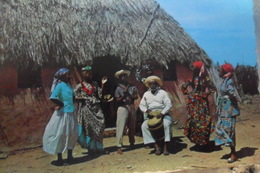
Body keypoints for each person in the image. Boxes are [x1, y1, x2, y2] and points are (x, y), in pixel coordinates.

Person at [43, 68, 78, 166]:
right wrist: (61, 104)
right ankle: (60, 159)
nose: (69, 76)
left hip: (71, 112)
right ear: (62, 76)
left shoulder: (69, 86)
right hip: (63, 114)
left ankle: (70, 157)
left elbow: (72, 97)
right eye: (67, 75)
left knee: (71, 134)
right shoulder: (60, 86)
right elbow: (53, 97)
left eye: (69, 74)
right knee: (61, 134)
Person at [181, 61, 216, 148]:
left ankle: (204, 142)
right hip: (193, 103)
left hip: (202, 103)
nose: (193, 70)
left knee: (204, 121)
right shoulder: (191, 77)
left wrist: (206, 93)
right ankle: (197, 141)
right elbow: (184, 86)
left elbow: (212, 87)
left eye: (195, 68)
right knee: (194, 121)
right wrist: (189, 93)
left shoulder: (205, 78)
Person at [74, 66, 107, 155]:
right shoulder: (79, 86)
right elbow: (75, 96)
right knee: (90, 128)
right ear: (84, 75)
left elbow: (99, 94)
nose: (90, 75)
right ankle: (92, 148)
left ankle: (99, 147)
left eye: (90, 74)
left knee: (100, 125)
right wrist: (82, 98)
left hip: (96, 108)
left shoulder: (95, 84)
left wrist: (102, 84)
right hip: (86, 109)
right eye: (88, 74)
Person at [139, 76, 173, 155]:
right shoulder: (146, 94)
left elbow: (168, 104)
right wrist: (147, 111)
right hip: (151, 114)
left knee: (166, 124)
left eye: (154, 84)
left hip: (163, 113)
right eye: (150, 84)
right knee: (144, 126)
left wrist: (162, 113)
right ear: (148, 85)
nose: (152, 85)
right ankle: (156, 146)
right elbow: (141, 105)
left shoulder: (162, 93)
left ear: (157, 84)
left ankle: (166, 147)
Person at [214, 63, 240, 163]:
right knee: (221, 127)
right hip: (224, 109)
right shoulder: (224, 80)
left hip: (229, 109)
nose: (219, 71)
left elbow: (232, 93)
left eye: (221, 69)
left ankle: (233, 154)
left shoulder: (229, 81)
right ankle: (231, 150)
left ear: (225, 71)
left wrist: (228, 98)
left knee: (230, 131)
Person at [114, 69, 138, 154]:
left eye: (125, 76)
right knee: (121, 126)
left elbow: (136, 96)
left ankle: (132, 142)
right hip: (123, 107)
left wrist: (131, 95)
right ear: (120, 78)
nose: (124, 78)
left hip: (131, 106)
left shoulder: (132, 86)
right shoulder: (118, 88)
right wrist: (125, 95)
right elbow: (117, 100)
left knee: (132, 126)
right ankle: (119, 146)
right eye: (122, 76)